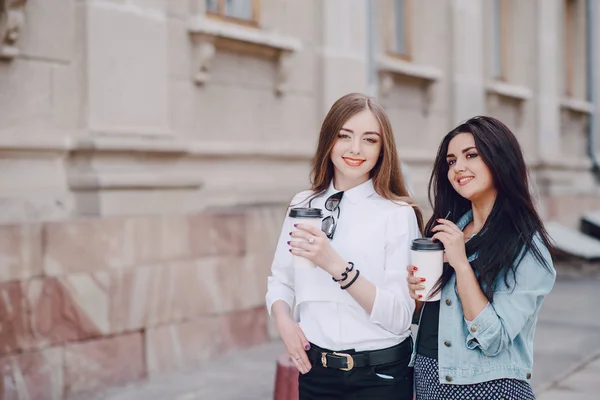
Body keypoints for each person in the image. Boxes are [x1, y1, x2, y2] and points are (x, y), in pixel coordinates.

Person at [265, 93, 423, 399]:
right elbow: (280, 279)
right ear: (329, 140)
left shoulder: (397, 214)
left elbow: (400, 317)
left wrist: (337, 266)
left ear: (382, 149)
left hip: (380, 375)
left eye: (369, 139)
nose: (355, 149)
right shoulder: (303, 204)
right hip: (316, 374)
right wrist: (284, 320)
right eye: (345, 136)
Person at [407, 116, 556, 400]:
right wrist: (415, 295)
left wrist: (461, 264)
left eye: (471, 155)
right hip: (429, 382)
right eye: (451, 161)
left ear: (500, 159)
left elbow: (493, 338)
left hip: (489, 390)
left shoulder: (525, 245)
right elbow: (433, 319)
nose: (458, 168)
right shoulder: (448, 230)